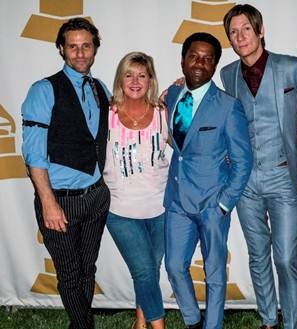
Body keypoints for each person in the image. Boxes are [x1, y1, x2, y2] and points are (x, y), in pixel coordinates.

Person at [21, 17, 110, 329]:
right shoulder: (43, 90)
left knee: (87, 269)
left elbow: (129, 111)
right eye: (73, 46)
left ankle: (78, 325)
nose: (80, 52)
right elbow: (33, 154)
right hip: (60, 200)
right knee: (70, 274)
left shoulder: (100, 88)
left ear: (95, 48)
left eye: (86, 46)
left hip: (96, 197)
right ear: (61, 49)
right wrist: (48, 202)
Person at [163, 32, 253, 329]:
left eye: (207, 58)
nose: (200, 63)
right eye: (194, 56)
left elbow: (243, 161)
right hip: (177, 200)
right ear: (183, 59)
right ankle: (193, 321)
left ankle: (212, 326)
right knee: (175, 266)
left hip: (212, 204)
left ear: (215, 65)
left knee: (214, 273)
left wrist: (225, 204)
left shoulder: (228, 106)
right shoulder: (173, 96)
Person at [221, 5, 297, 329]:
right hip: (245, 181)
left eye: (245, 29)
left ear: (260, 30)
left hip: (282, 175)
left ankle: (292, 323)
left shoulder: (291, 68)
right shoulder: (227, 74)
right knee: (258, 256)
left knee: (285, 258)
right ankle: (269, 320)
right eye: (233, 32)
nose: (240, 37)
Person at [103, 52, 168, 329]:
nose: (135, 81)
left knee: (151, 271)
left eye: (142, 75)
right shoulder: (107, 114)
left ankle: (140, 321)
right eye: (129, 74)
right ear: (120, 79)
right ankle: (158, 325)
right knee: (143, 269)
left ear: (150, 79)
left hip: (162, 207)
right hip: (120, 208)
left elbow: (186, 147)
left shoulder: (164, 112)